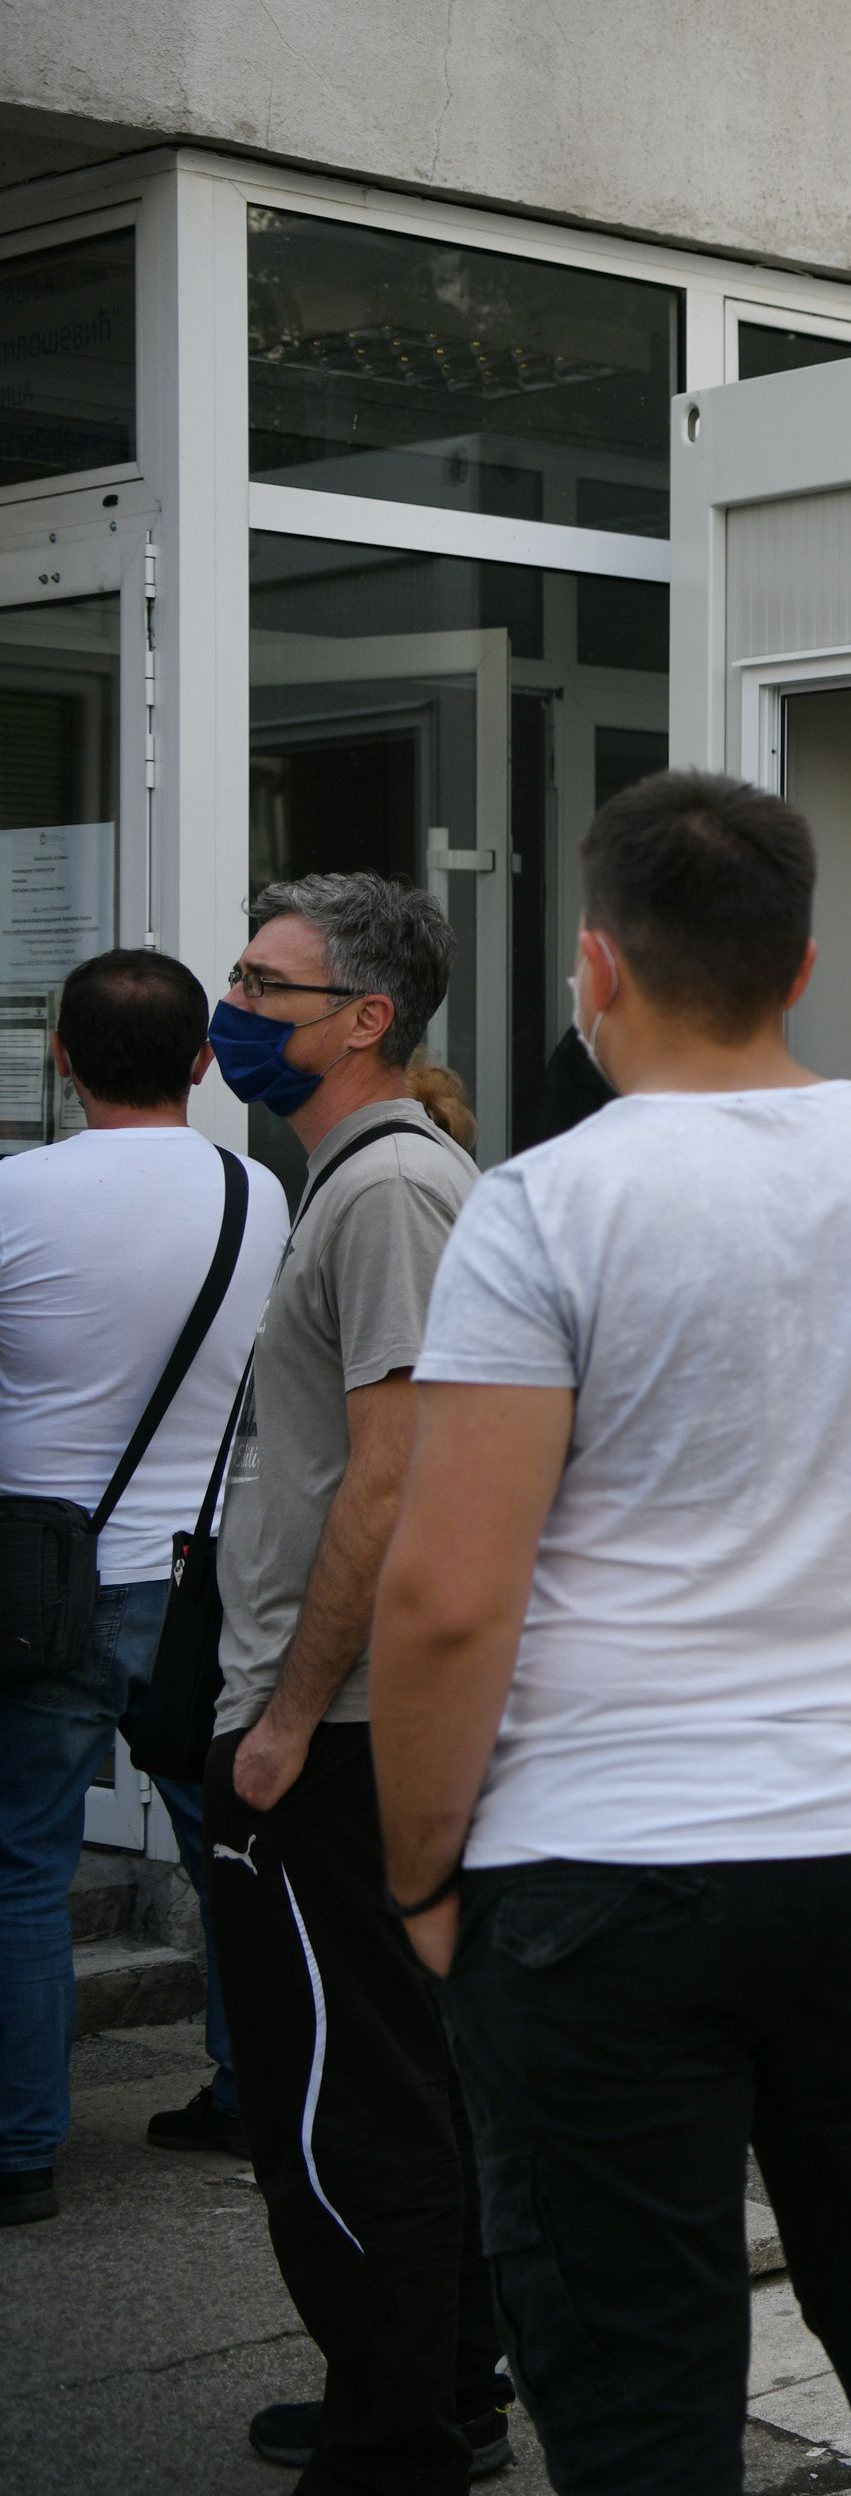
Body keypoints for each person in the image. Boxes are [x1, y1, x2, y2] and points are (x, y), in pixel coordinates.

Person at [372, 772, 851, 2489]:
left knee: (638, 2388)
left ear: (594, 968)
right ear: (802, 962)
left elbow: (448, 1596)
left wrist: (418, 1880)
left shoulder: (541, 1208)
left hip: (599, 1871)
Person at [194, 876, 516, 2488]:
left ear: (365, 1020)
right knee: (392, 2072)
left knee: (343, 2096)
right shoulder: (358, 1183)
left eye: (265, 980)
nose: (232, 1003)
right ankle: (435, 2382)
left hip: (341, 1730)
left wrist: (286, 1723)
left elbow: (391, 1484)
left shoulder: (388, 1194)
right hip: (342, 1718)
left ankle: (400, 2435)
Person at [0, 952, 282, 2222]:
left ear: (60, 1056)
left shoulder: (15, 1195)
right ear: (201, 1060)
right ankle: (250, 2097)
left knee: (19, 1864)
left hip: (34, 1581)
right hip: (199, 1578)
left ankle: (19, 2151)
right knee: (227, 1847)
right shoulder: (256, 1194)